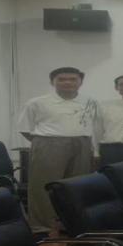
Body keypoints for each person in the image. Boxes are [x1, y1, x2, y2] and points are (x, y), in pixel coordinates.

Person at [18, 67, 98, 231]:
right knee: (44, 185)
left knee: (77, 184)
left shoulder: (90, 101)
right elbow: (25, 128)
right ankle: (43, 225)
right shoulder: (37, 102)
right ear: (52, 82)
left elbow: (95, 126)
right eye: (61, 79)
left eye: (72, 79)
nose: (67, 82)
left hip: (82, 143)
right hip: (48, 143)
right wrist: (46, 143)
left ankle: (72, 222)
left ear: (80, 82)